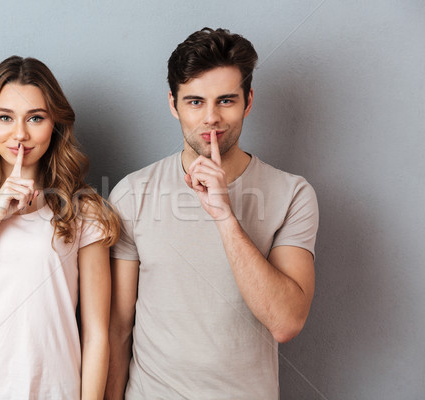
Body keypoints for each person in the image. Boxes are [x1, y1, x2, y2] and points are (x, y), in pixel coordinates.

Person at [105, 28, 319, 399]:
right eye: (194, 102)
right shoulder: (132, 193)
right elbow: (117, 328)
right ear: (173, 104)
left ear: (248, 101)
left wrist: (225, 216)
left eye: (225, 101)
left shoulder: (292, 194)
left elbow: (286, 322)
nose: (211, 118)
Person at [0, 56, 119, 399]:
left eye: (36, 118)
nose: (20, 134)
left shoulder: (84, 210)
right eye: (5, 118)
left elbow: (97, 335)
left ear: (54, 124)